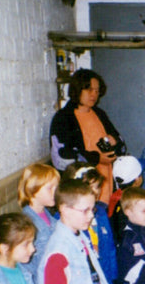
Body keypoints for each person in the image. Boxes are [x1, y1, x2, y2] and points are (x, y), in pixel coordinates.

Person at [49, 68, 126, 204]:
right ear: (78, 89)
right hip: (80, 190)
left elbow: (120, 141)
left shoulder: (99, 113)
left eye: (97, 91)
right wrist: (97, 159)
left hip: (106, 184)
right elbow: (63, 155)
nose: (94, 94)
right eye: (89, 89)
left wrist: (115, 143)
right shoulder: (63, 118)